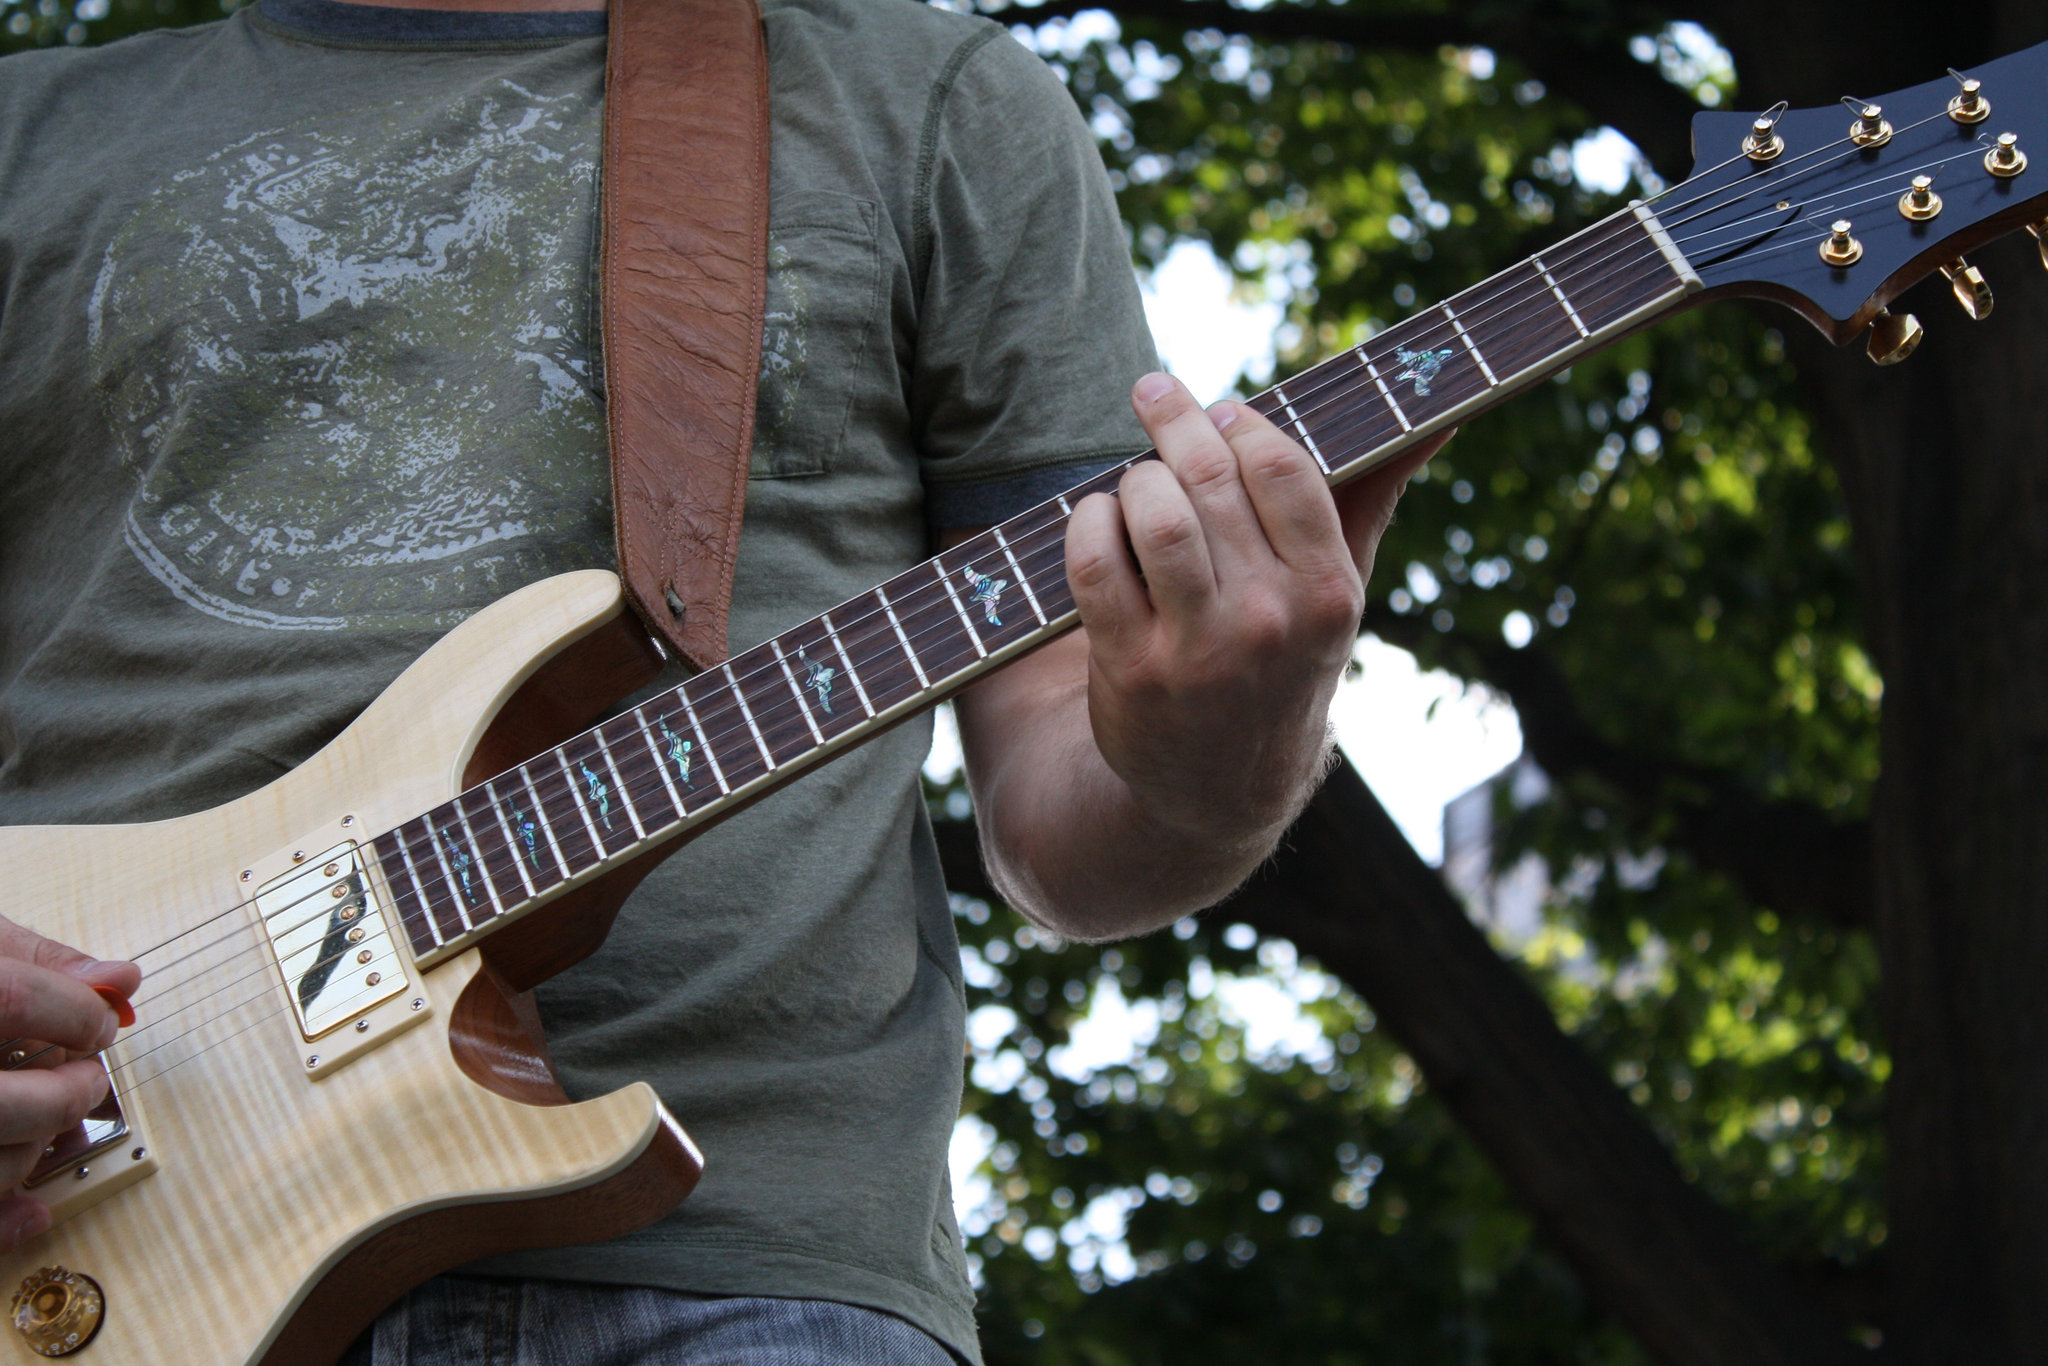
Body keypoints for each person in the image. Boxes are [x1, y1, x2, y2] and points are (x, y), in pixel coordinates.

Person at [0, 0, 1442, 1360]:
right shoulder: (28, 132)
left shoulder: (927, 102)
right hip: (72, 1245)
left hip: (743, 1276)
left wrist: (1222, 750)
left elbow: (1077, 830)